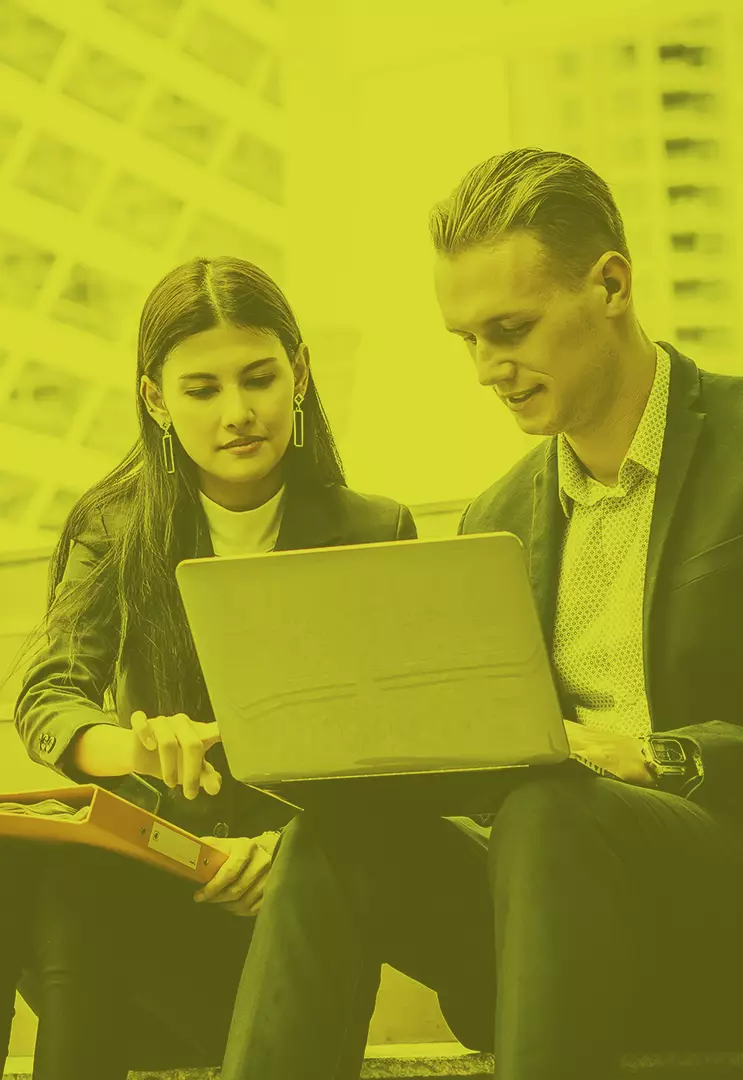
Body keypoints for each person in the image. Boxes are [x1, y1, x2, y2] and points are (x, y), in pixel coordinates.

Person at [217, 149, 743, 1080]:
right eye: (465, 339)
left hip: (714, 902)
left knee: (550, 803)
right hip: (548, 923)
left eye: (510, 328)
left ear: (610, 285)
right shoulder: (496, 519)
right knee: (332, 839)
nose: (486, 368)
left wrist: (654, 755)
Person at [2, 255, 416, 1080]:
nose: (238, 413)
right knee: (40, 864)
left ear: (297, 375)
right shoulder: (118, 530)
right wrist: (138, 746)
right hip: (147, 906)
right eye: (202, 390)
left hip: (296, 915)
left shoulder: (372, 529)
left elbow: (403, 752)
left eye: (258, 378)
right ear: (156, 399)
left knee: (70, 893)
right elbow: (49, 698)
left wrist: (291, 848)